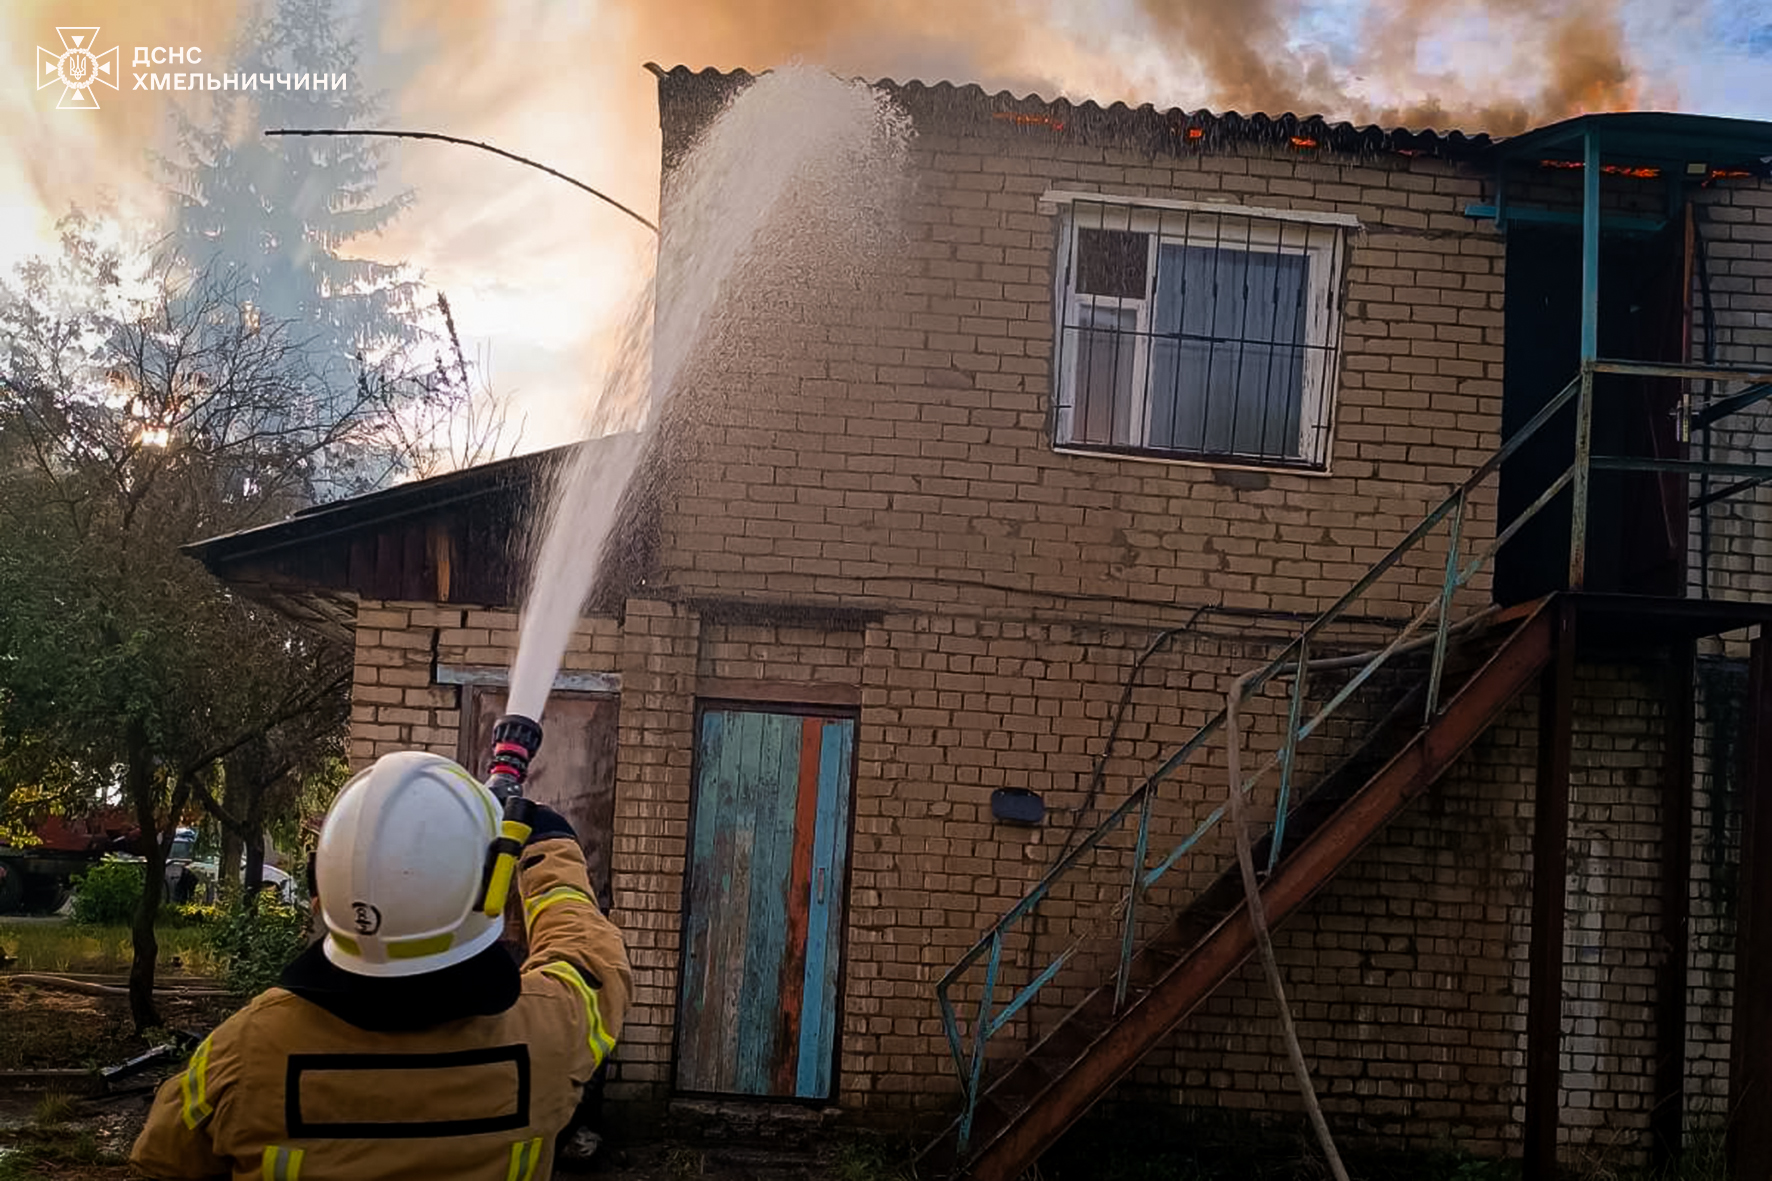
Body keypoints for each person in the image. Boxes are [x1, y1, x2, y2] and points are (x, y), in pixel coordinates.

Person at [131, 750, 631, 1181]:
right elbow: (591, 958)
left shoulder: (248, 1048)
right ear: (490, 891)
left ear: (326, 885)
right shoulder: (549, 1032)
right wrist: (548, 847)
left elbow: (164, 1153)